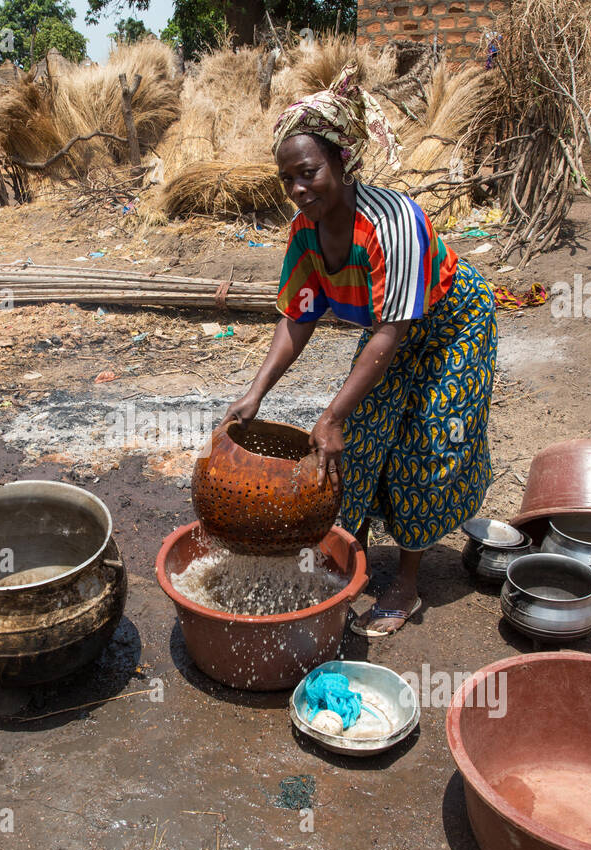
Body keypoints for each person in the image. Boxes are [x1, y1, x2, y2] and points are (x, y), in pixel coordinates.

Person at [222, 62, 497, 638]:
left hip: (450, 330)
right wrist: (254, 395)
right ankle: (351, 557)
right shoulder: (304, 233)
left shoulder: (394, 221)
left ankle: (406, 581)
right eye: (288, 180)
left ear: (343, 162)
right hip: (388, 335)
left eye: (309, 172)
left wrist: (329, 413)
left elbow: (392, 333)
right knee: (359, 440)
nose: (299, 189)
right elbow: (296, 317)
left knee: (427, 442)